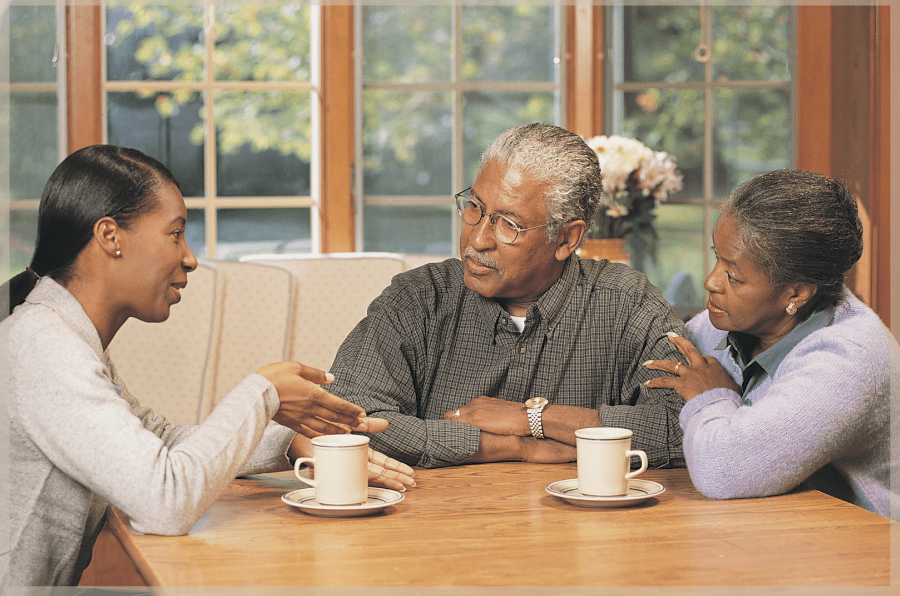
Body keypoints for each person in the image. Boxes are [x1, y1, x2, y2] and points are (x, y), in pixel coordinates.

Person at [1, 145, 415, 587]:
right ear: (110, 236)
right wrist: (262, 392)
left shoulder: (63, 334)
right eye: (174, 234)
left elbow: (156, 439)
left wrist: (290, 443)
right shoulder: (43, 345)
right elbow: (166, 500)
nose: (190, 258)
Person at [325, 123, 688, 469]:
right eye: (475, 207)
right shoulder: (417, 301)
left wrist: (533, 418)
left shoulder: (627, 304)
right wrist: (509, 445)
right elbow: (341, 422)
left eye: (508, 224)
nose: (477, 240)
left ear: (566, 239)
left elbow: (690, 427)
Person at [643, 169, 899, 520]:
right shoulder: (723, 325)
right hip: (770, 530)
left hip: (858, 550)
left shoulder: (850, 358)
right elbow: (647, 403)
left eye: (733, 275)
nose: (710, 281)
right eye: (717, 256)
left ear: (796, 293)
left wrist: (710, 396)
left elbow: (722, 470)